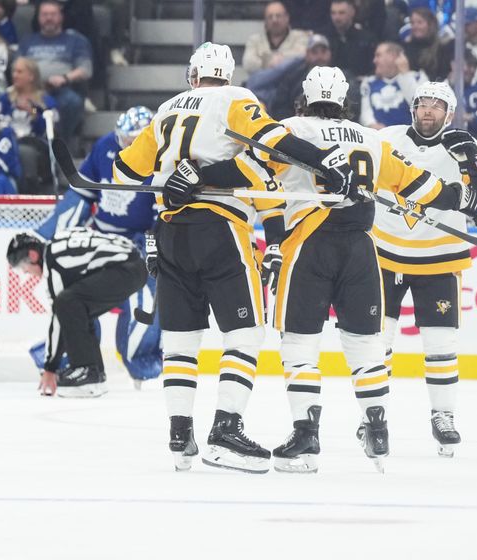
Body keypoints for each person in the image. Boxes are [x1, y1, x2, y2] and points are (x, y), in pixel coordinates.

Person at [112, 42, 352, 473]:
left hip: (170, 232)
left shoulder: (166, 108)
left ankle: (179, 434)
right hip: (219, 228)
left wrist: (179, 173)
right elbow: (276, 140)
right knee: (245, 334)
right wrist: (324, 163)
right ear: (228, 73)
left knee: (181, 342)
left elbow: (125, 172)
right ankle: (225, 430)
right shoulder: (236, 98)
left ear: (192, 74)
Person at [266, 68, 477, 474]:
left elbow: (255, 169)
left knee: (299, 345)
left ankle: (306, 435)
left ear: (305, 94)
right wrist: (459, 197)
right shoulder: (369, 136)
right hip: (362, 250)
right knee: (367, 346)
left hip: (311, 245)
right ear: (346, 96)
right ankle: (377, 430)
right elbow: (415, 182)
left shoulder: (291, 128)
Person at [375, 81, 477, 458]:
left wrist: (475, 167)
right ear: (412, 109)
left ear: (448, 114)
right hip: (384, 253)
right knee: (378, 343)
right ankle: (374, 415)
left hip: (439, 258)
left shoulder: (464, 144)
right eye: (423, 104)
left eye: (437, 106)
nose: (428, 111)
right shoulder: (388, 138)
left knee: (441, 345)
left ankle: (443, 415)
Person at [34, 106, 162, 388]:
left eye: (132, 141)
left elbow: (161, 217)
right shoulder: (106, 145)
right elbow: (80, 194)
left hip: (139, 243)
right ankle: (72, 362)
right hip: (100, 239)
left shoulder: (164, 158)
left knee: (144, 301)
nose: (125, 146)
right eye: (123, 139)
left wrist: (154, 249)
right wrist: (47, 237)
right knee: (71, 298)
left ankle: (142, 360)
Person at [7, 227, 148, 397]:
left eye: (22, 266)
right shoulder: (58, 243)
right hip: (134, 264)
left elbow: (59, 317)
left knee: (67, 302)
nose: (24, 272)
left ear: (33, 256)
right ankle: (96, 374)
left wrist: (50, 368)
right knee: (78, 307)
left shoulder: (54, 264)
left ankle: (86, 371)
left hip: (127, 268)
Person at [18, 0, 93, 141]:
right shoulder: (27, 41)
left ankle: (60, 142)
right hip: (32, 92)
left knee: (72, 102)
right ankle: (38, 141)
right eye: (44, 14)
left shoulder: (75, 40)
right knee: (30, 108)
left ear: (61, 17)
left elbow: (86, 69)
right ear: (38, 17)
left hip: (60, 91)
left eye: (53, 14)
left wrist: (65, 78)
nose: (49, 18)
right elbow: (16, 67)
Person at [0, 57, 58, 194]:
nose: (14, 75)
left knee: (25, 152)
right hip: (8, 141)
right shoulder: (6, 98)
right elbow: (0, 121)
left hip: (35, 144)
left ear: (31, 76)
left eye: (19, 72)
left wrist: (33, 112)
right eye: (14, 72)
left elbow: (49, 128)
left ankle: (29, 192)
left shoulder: (45, 100)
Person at [360, 42, 428, 129]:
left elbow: (421, 107)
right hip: (378, 136)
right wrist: (374, 127)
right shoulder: (369, 82)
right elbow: (365, 114)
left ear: (393, 57)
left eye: (378, 55)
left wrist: (405, 75)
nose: (374, 61)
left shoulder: (418, 77)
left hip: (409, 137)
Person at [242, 1, 310, 78]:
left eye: (278, 16)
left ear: (287, 17)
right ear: (265, 21)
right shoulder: (254, 40)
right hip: (262, 86)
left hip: (292, 86)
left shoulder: (300, 37)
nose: (274, 20)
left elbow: (302, 57)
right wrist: (269, 61)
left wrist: (266, 60)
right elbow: (248, 64)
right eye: (270, 17)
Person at [323, 0, 377, 78]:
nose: (336, 17)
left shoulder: (366, 39)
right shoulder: (325, 38)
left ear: (352, 13)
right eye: (333, 13)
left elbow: (373, 67)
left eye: (341, 13)